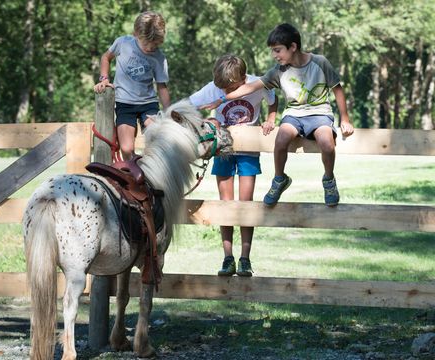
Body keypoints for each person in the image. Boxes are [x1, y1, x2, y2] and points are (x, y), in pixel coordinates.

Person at [201, 23, 354, 207]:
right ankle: (279, 178)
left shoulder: (320, 62)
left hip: (320, 113)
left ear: (293, 47)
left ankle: (329, 179)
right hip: (294, 114)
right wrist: (223, 99)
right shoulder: (278, 71)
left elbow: (337, 89)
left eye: (278, 50)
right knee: (281, 140)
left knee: (327, 143)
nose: (274, 55)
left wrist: (345, 118)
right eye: (273, 51)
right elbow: (250, 87)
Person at [190, 54, 278, 277]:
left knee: (246, 204)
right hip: (224, 150)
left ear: (242, 78)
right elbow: (189, 106)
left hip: (249, 150)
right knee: (226, 205)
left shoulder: (256, 83)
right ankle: (227, 257)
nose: (225, 91)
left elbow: (272, 97)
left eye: (231, 87)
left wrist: (270, 119)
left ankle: (245, 258)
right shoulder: (213, 88)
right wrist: (207, 121)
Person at [93, 11, 170, 160]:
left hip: (149, 104)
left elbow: (162, 86)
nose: (149, 48)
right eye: (146, 43)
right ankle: (134, 175)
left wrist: (168, 112)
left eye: (154, 45)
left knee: (156, 143)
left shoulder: (159, 57)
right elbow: (105, 57)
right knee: (127, 149)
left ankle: (150, 175)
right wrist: (104, 79)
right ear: (135, 34)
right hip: (125, 104)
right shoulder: (123, 43)